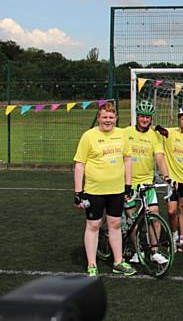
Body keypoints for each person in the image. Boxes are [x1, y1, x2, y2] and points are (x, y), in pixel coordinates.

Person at [73, 102, 136, 276]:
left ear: (116, 118)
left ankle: (118, 262)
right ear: (99, 118)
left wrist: (128, 185)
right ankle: (92, 264)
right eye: (104, 117)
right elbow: (80, 164)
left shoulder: (122, 134)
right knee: (93, 225)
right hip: (94, 191)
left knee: (115, 224)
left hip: (116, 190)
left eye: (111, 117)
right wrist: (78, 192)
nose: (108, 120)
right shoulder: (88, 136)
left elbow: (128, 160)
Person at [123, 100, 170, 265]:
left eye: (147, 117)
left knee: (154, 215)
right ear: (137, 117)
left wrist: (167, 177)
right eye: (142, 116)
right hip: (128, 183)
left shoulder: (153, 136)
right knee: (132, 219)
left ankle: (154, 251)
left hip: (146, 183)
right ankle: (137, 250)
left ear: (151, 119)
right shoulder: (126, 132)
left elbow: (160, 158)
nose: (144, 120)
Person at [156, 105, 183, 255]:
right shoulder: (170, 133)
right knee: (171, 210)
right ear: (179, 119)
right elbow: (156, 132)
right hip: (172, 180)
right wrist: (157, 128)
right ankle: (173, 236)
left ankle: (182, 239)